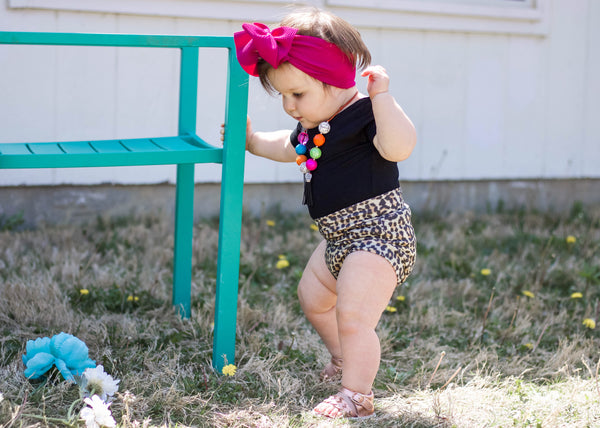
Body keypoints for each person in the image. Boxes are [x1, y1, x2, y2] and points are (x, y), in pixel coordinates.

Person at [232, 8, 417, 419]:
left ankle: (358, 395)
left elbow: (399, 147)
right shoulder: (313, 124)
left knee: (352, 315)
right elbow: (287, 146)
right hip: (338, 239)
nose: (288, 106)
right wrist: (251, 141)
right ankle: (342, 359)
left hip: (379, 235)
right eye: (282, 95)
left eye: (297, 94)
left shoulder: (366, 114)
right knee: (313, 299)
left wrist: (383, 98)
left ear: (336, 80)